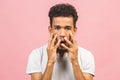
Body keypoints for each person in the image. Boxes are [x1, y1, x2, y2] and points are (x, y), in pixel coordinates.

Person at [26, 3, 95, 80]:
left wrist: (75, 62)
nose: (62, 34)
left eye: (67, 28)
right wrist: (50, 62)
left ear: (74, 31)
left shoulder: (86, 56)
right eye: (57, 28)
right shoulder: (36, 55)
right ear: (50, 30)